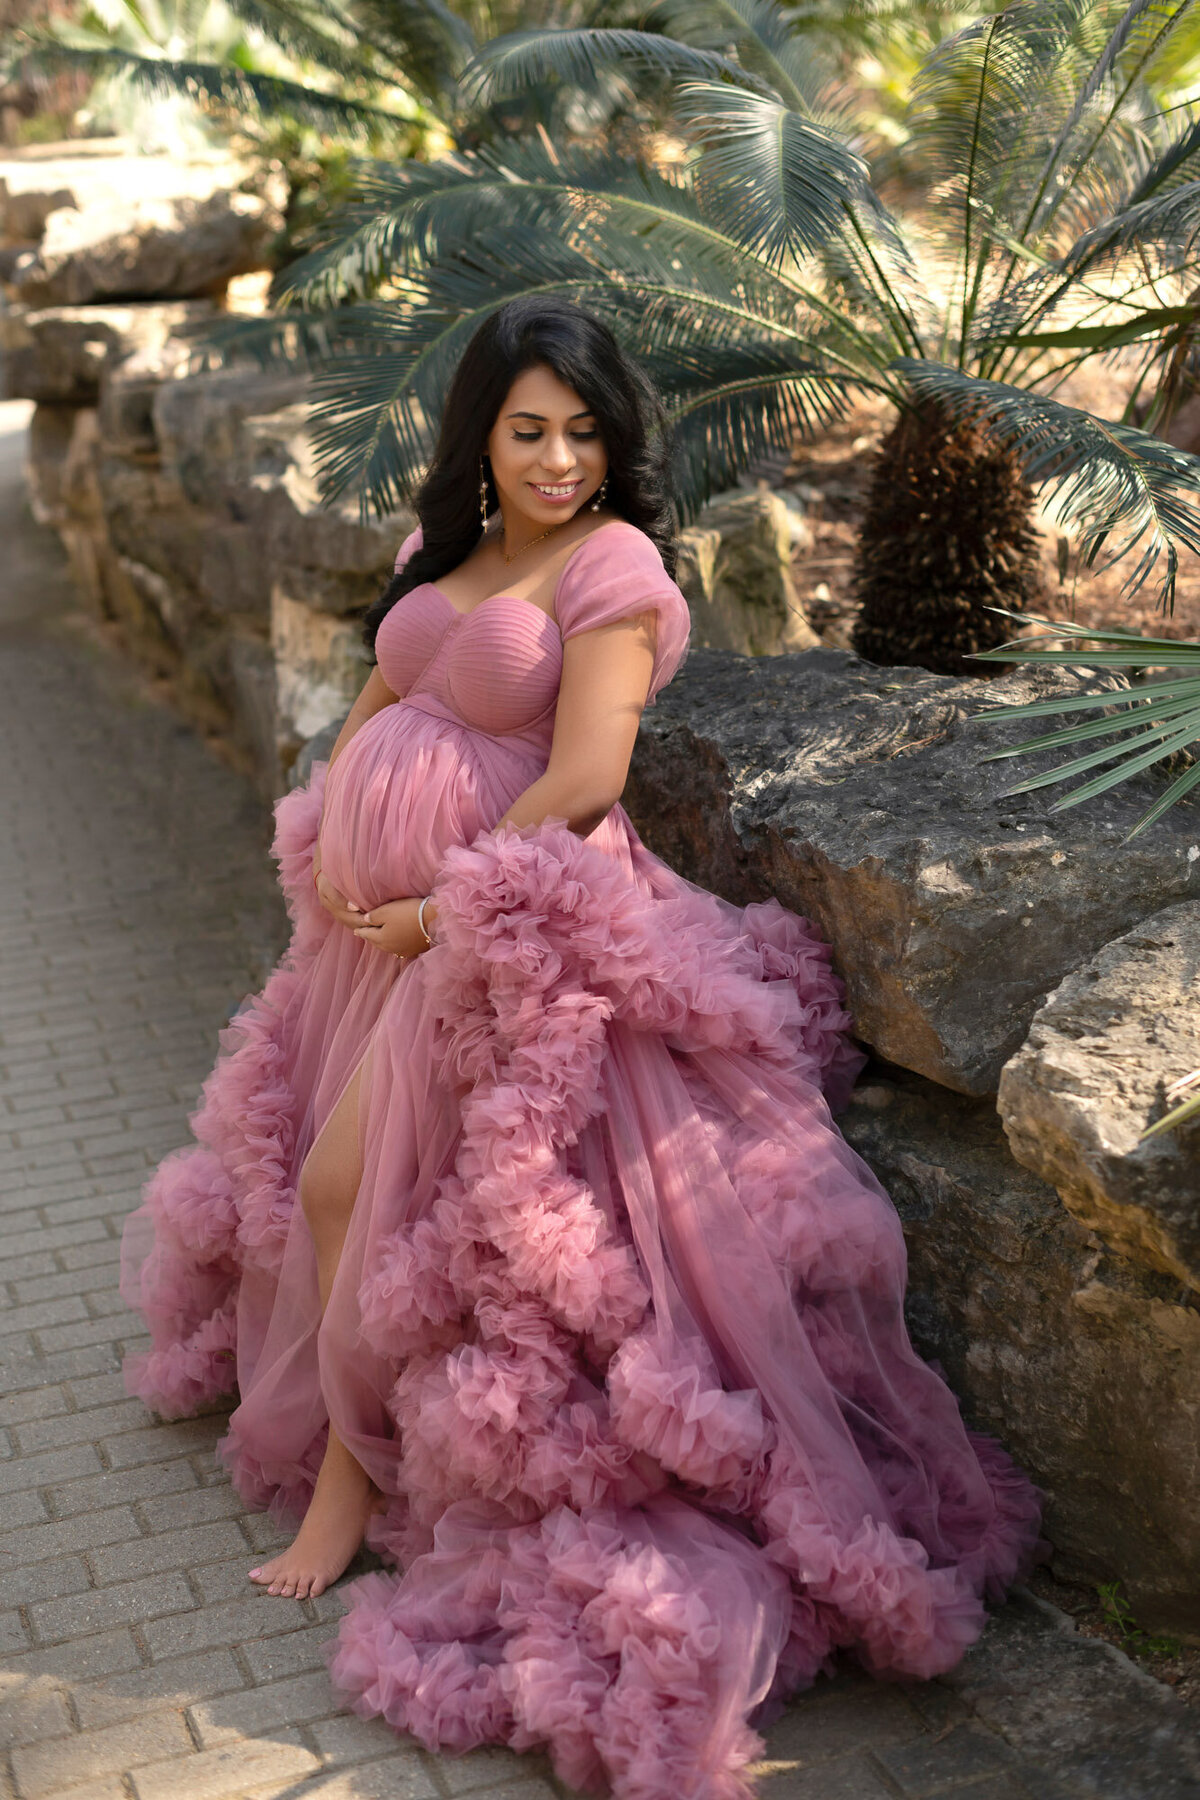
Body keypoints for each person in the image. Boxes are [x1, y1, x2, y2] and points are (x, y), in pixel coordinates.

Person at [120, 295, 1042, 1799]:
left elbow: (589, 771)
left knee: (359, 1188)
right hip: (379, 932)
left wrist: (442, 902)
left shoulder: (613, 567)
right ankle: (366, 1446)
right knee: (346, 1183)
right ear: (482, 432)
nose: (558, 458)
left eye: (585, 431)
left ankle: (349, 1489)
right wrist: (343, 842)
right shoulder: (441, 556)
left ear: (618, 445)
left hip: (517, 927)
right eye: (529, 429)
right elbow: (378, 704)